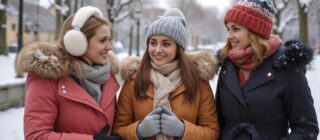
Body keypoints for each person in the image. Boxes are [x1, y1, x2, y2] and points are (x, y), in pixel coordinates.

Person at [216, 0, 319, 139]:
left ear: (254, 30)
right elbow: (219, 123)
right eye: (228, 29)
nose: (229, 36)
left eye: (236, 29)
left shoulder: (287, 65)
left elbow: (306, 128)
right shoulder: (227, 66)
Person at [16, 6, 122, 140]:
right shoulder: (47, 78)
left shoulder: (107, 77)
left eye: (109, 39)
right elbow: (36, 136)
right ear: (77, 43)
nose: (109, 47)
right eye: (102, 40)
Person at [113, 8, 220, 140]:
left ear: (178, 48)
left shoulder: (198, 82)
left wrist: (183, 131)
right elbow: (118, 130)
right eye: (153, 43)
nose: (157, 50)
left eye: (166, 44)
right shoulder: (133, 80)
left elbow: (212, 132)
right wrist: (139, 131)